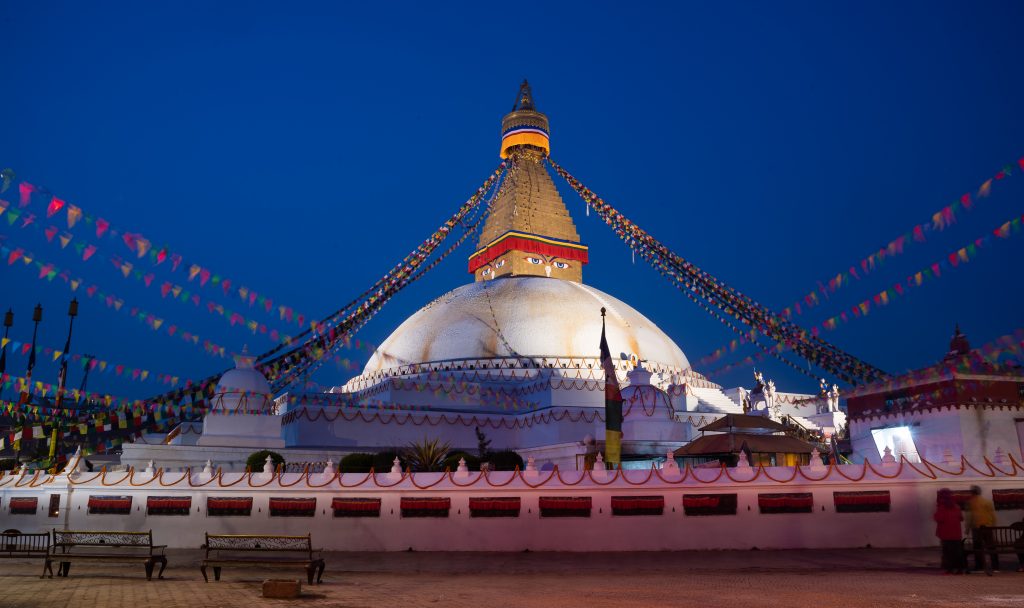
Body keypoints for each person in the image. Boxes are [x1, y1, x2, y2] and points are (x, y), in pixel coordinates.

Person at [965, 485, 998, 574]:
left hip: (977, 528)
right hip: (988, 527)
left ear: (972, 492)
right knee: (991, 547)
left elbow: (969, 517)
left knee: (978, 547)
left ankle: (979, 566)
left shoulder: (970, 502)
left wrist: (967, 529)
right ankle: (995, 566)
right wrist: (993, 526)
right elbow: (993, 515)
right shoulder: (987, 502)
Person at [933, 488, 964, 574]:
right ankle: (959, 569)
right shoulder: (957, 506)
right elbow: (961, 518)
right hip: (956, 533)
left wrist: (935, 514)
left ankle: (949, 569)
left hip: (946, 533)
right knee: (957, 551)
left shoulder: (942, 507)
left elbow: (939, 518)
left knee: (947, 552)